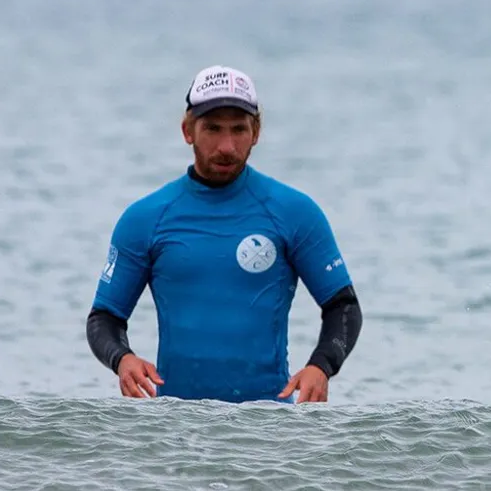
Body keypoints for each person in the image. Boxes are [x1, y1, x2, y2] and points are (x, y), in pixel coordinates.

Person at [84, 65, 364, 404]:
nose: (227, 146)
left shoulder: (294, 212)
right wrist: (122, 359)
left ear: (256, 132)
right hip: (175, 423)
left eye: (239, 129)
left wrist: (321, 366)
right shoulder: (145, 218)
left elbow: (343, 306)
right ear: (187, 130)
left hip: (267, 422)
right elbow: (105, 317)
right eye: (213, 129)